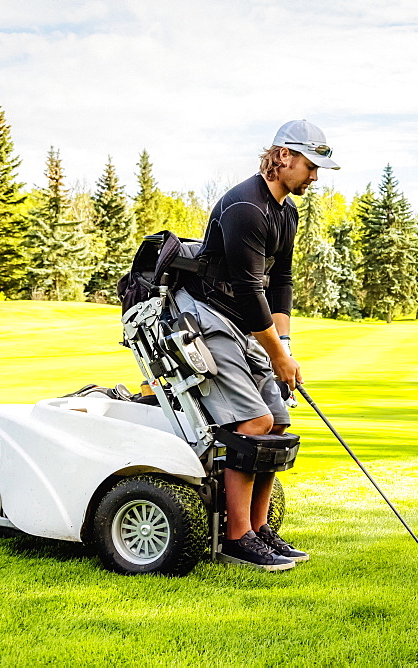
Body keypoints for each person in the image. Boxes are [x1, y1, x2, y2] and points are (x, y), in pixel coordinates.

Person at [177, 119, 340, 571]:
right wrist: (278, 357)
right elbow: (250, 292)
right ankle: (236, 538)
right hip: (209, 317)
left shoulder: (286, 212)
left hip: (249, 324)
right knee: (254, 421)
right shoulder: (245, 206)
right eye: (311, 165)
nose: (315, 176)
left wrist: (283, 344)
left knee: (278, 422)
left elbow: (279, 281)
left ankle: (259, 529)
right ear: (284, 156)